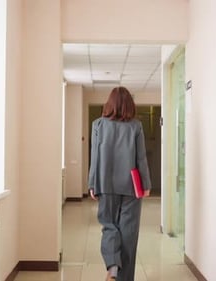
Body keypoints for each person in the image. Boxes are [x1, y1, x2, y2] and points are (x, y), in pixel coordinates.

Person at [88, 86, 152, 281]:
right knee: (129, 233)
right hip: (131, 186)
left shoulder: (98, 125)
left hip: (105, 184)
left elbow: (95, 157)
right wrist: (146, 184)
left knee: (109, 226)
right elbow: (141, 158)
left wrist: (92, 184)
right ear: (129, 106)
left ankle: (113, 267)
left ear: (110, 103)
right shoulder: (135, 126)